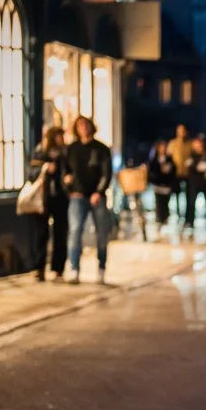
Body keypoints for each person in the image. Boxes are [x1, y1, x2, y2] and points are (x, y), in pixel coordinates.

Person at [64, 116, 113, 284]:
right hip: (78, 196)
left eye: (86, 125)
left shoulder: (101, 149)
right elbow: (65, 172)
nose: (83, 128)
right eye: (80, 125)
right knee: (75, 230)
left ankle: (101, 267)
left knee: (101, 233)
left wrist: (99, 191)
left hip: (96, 196)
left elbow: (107, 173)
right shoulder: (72, 149)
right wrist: (69, 187)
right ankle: (74, 268)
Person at [28, 126, 70, 282]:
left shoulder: (66, 152)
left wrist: (68, 179)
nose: (62, 139)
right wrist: (45, 168)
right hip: (42, 197)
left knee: (60, 232)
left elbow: (71, 171)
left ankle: (58, 268)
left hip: (60, 196)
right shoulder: (40, 151)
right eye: (59, 136)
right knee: (41, 233)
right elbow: (31, 173)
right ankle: (39, 268)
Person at [148, 141, 176, 237]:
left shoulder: (169, 158)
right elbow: (151, 170)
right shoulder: (154, 159)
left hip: (166, 185)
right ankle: (159, 221)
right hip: (158, 185)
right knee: (158, 204)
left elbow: (173, 170)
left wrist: (168, 170)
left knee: (166, 204)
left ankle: (165, 221)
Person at [183, 137, 206, 233]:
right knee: (191, 203)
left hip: (205, 183)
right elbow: (188, 166)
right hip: (194, 182)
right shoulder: (191, 155)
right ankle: (190, 222)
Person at [168, 124, 191, 220]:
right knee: (176, 193)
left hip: (187, 173)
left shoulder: (189, 144)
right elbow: (169, 156)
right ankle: (177, 212)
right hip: (176, 173)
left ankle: (187, 215)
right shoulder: (172, 143)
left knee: (188, 195)